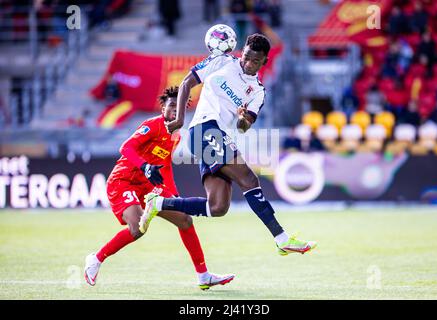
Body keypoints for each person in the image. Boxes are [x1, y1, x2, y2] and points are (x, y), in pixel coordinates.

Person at [140, 34, 317, 256]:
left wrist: (242, 118)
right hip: (203, 129)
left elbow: (243, 126)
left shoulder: (258, 92)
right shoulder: (222, 61)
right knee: (249, 179)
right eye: (246, 57)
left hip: (220, 136)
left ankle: (159, 204)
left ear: (264, 62)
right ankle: (281, 238)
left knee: (217, 207)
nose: (247, 64)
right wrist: (180, 120)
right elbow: (187, 82)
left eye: (255, 61)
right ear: (241, 52)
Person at [84, 87, 234, 290]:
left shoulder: (176, 136)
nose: (175, 110)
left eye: (179, 106)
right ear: (163, 107)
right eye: (171, 105)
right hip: (124, 180)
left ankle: (203, 275)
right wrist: (145, 166)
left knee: (184, 219)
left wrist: (173, 195)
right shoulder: (153, 125)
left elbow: (165, 166)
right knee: (137, 229)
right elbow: (126, 148)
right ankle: (96, 259)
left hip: (148, 185)